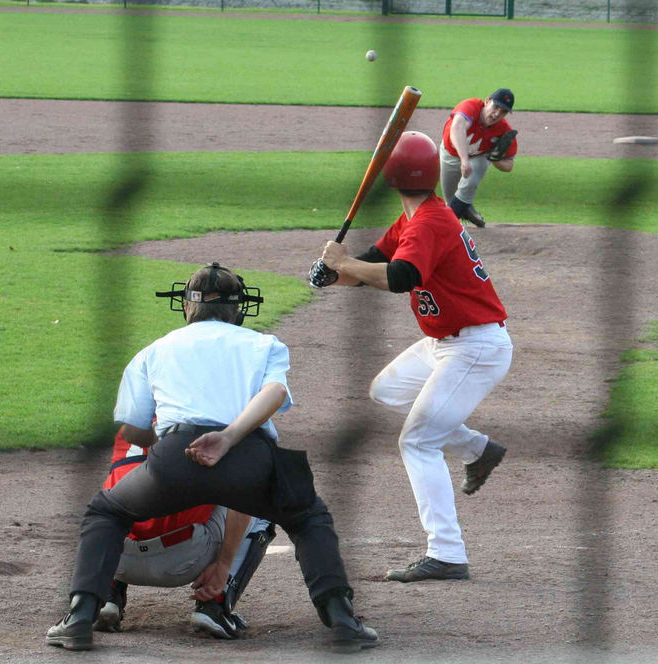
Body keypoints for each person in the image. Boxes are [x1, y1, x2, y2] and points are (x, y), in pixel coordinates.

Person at [46, 262, 378, 653]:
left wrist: (170, 443)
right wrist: (228, 437)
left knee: (107, 511)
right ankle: (340, 619)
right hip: (248, 455)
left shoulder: (154, 350)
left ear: (187, 306)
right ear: (238, 309)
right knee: (307, 517)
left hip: (175, 457)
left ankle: (81, 616)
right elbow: (274, 394)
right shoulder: (264, 344)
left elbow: (134, 432)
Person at [310, 132, 513, 583]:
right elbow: (370, 266)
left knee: (417, 441)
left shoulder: (428, 224)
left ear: (391, 178)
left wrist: (343, 264)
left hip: (475, 349)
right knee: (387, 389)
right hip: (447, 343)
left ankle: (447, 553)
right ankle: (479, 449)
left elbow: (401, 277)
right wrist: (331, 275)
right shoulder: (415, 218)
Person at [94, 426, 275, 640]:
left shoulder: (131, 426)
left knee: (114, 498)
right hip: (184, 558)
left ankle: (106, 594)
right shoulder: (209, 428)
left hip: (117, 559)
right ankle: (215, 604)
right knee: (259, 499)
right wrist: (223, 564)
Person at [440, 87, 518, 228]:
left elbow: (509, 165)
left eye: (503, 112)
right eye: (496, 107)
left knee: (470, 181)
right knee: (451, 200)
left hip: (479, 157)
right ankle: (466, 208)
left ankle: (444, 228)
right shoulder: (471, 106)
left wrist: (496, 159)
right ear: (487, 101)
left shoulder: (503, 129)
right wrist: (464, 160)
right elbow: (457, 127)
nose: (496, 114)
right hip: (450, 154)